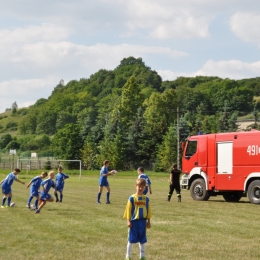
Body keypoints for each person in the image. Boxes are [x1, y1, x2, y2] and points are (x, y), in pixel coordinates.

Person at [123, 178, 152, 260]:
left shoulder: (146, 199)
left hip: (142, 222)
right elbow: (128, 210)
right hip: (134, 222)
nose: (140, 188)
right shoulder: (132, 198)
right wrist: (128, 221)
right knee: (131, 239)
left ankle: (142, 256)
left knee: (142, 239)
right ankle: (128, 256)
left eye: (142, 187)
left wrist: (148, 221)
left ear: (145, 188)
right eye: (139, 186)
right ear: (136, 186)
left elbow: (148, 210)